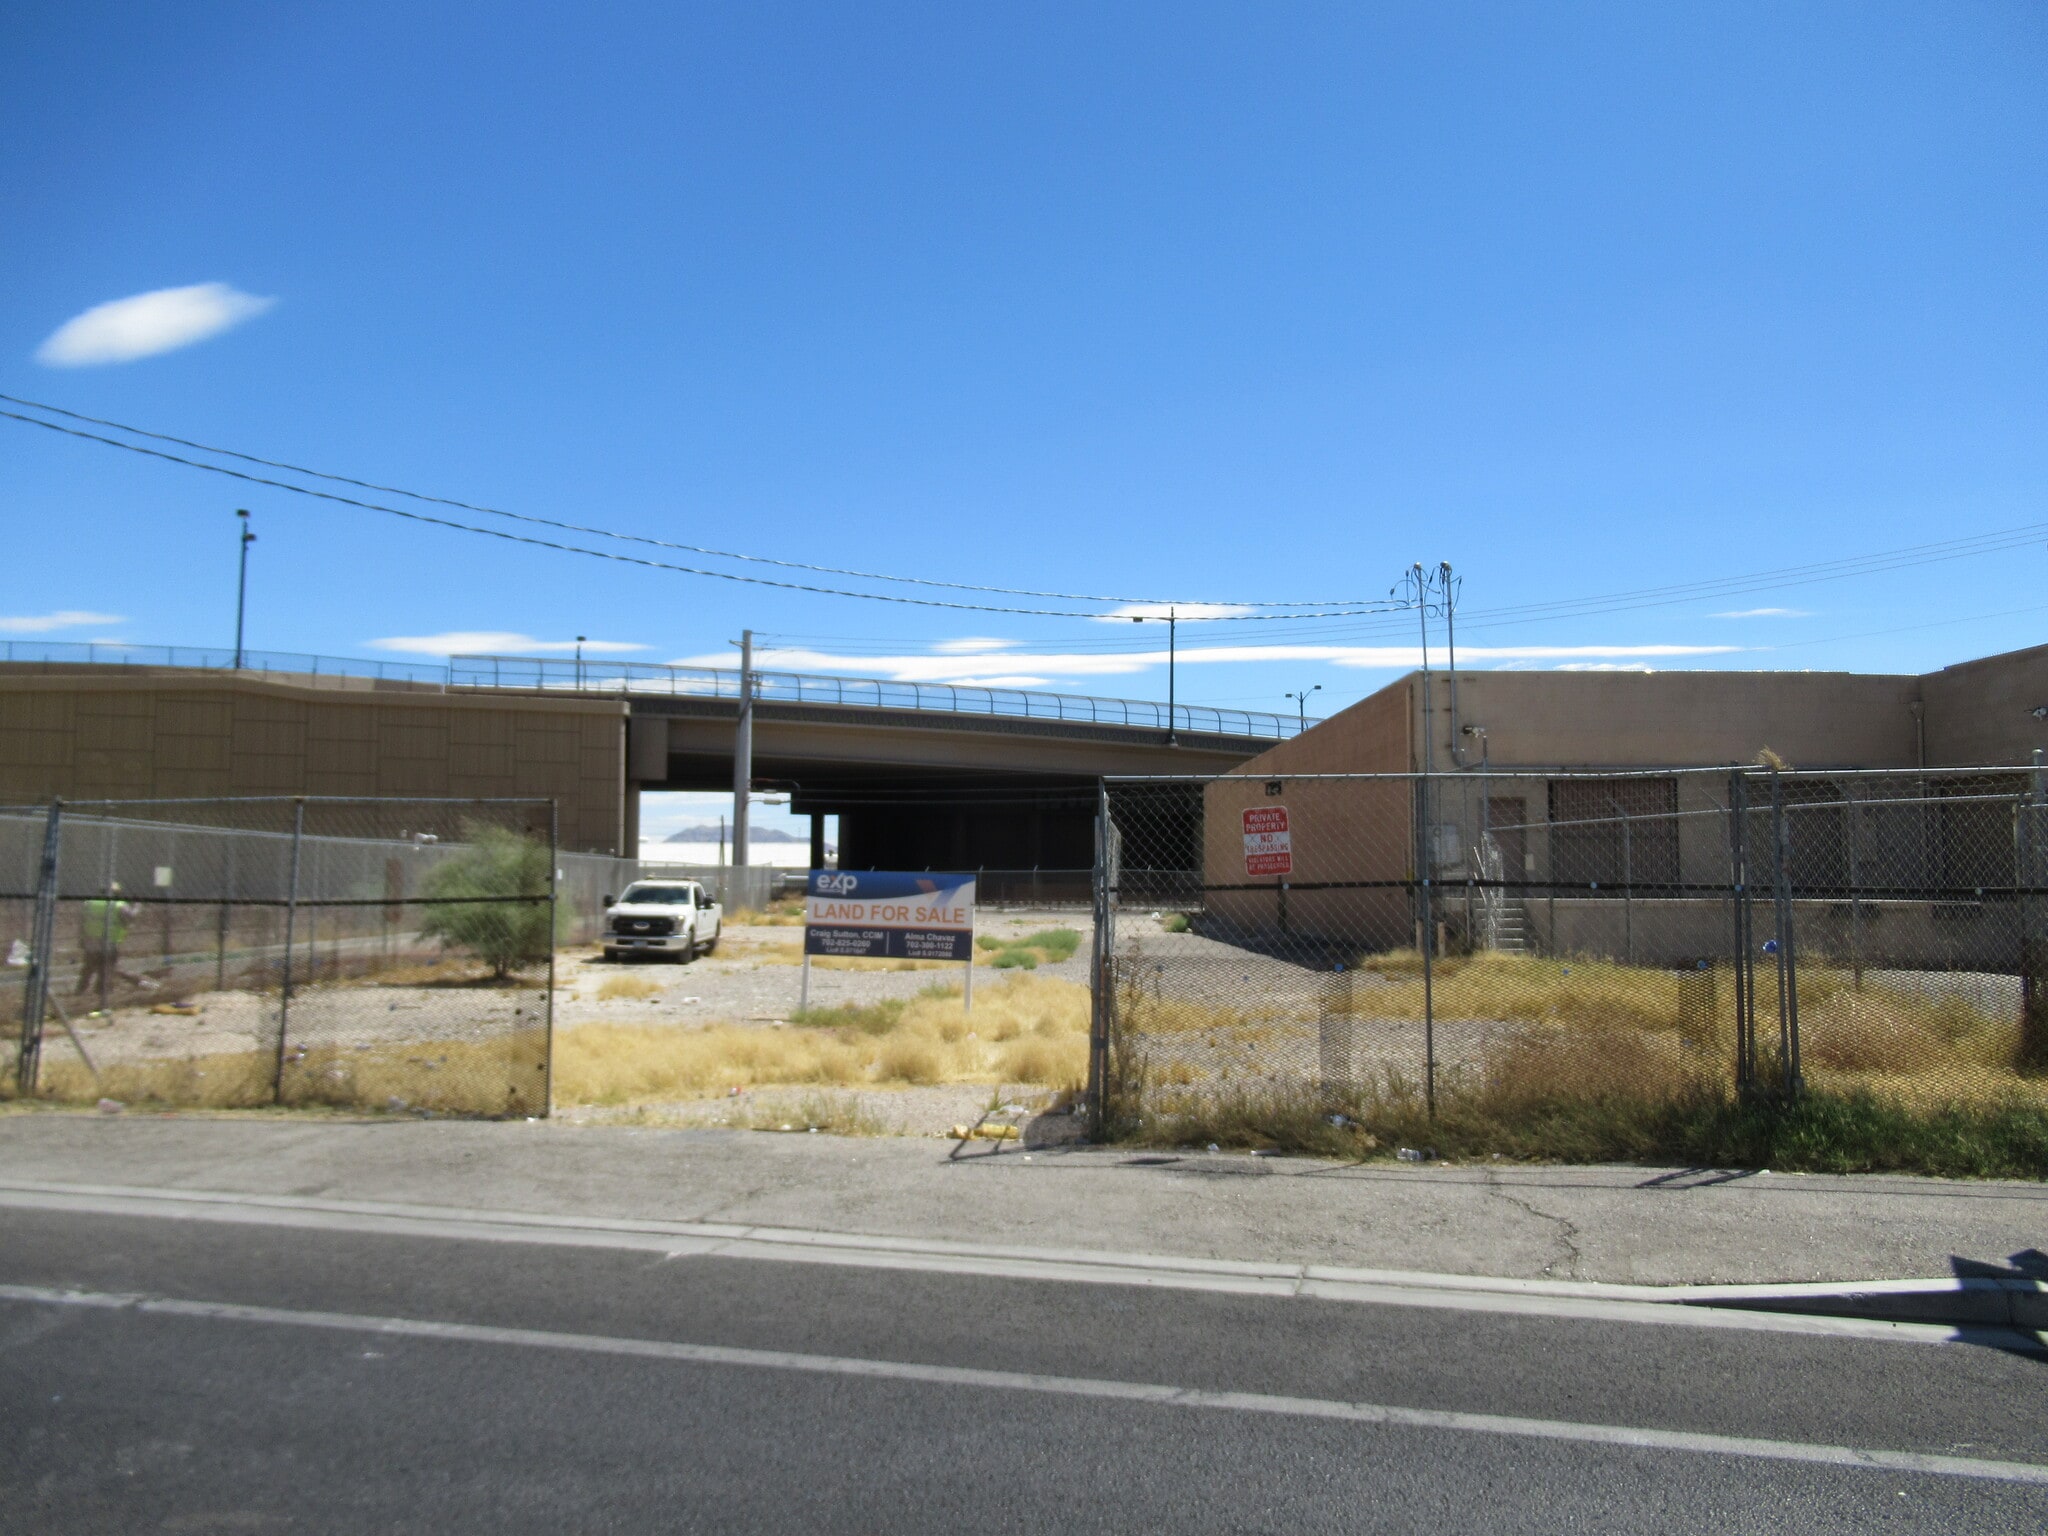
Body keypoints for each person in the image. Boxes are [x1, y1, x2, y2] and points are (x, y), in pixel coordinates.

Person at [75, 883, 151, 998]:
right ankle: (101, 996)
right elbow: (131, 918)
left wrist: (81, 940)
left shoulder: (89, 903)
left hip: (91, 942)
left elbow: (82, 923)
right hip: (109, 943)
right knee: (107, 970)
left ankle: (79, 992)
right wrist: (138, 905)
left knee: (88, 969)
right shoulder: (118, 906)